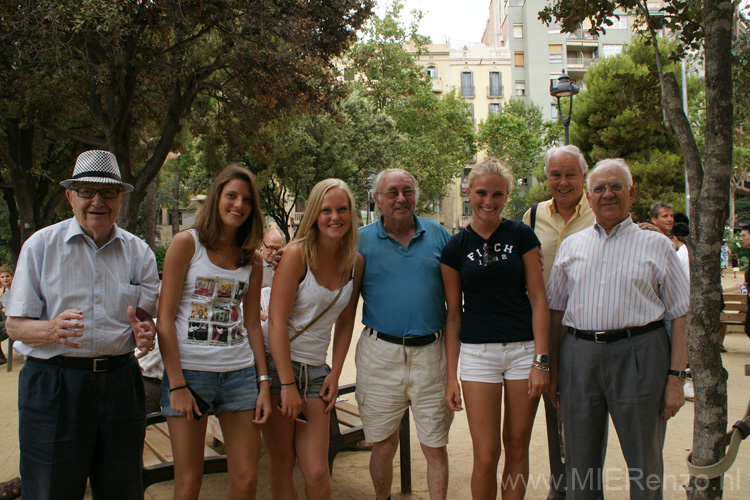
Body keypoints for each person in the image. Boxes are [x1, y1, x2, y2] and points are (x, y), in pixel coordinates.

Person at [5, 150, 160, 499]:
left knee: (122, 489)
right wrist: (49, 330)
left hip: (121, 383)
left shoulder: (140, 253)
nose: (97, 201)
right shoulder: (40, 248)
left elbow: (147, 320)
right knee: (50, 490)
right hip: (54, 384)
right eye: (87, 191)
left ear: (121, 197)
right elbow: (14, 326)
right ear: (70, 196)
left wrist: (147, 332)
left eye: (107, 192)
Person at [547, 158, 689, 500]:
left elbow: (681, 314)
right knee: (580, 464)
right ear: (589, 196)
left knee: (644, 461)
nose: (607, 194)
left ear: (632, 193)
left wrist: (676, 378)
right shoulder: (572, 247)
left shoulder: (657, 245)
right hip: (578, 358)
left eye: (616, 187)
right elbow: (555, 313)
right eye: (599, 188)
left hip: (641, 355)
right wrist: (553, 373)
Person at [157, 164, 271, 499]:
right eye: (231, 195)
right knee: (189, 483)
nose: (238, 205)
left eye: (247, 200)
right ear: (217, 196)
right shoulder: (186, 244)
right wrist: (176, 383)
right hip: (190, 377)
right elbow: (164, 320)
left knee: (247, 479)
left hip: (239, 375)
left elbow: (251, 324)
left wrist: (262, 384)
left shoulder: (253, 259)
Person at [442, 158, 550, 500]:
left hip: (522, 351)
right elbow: (454, 315)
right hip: (478, 355)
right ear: (468, 192)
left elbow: (538, 299)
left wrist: (540, 361)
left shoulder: (521, 235)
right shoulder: (455, 247)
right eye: (482, 193)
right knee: (486, 455)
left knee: (517, 445)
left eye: (498, 194)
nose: (489, 201)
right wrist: (451, 377)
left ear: (507, 196)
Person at [356, 168, 453, 500]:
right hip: (380, 354)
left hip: (432, 355)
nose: (400, 198)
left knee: (435, 445)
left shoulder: (439, 234)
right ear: (377, 199)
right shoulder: (360, 240)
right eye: (392, 192)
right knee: (382, 444)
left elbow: (460, 299)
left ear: (417, 194)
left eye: (407, 190)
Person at [264, 178, 363, 500]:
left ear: (351, 214)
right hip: (280, 368)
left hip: (316, 372)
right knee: (282, 462)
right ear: (314, 216)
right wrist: (287, 383)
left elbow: (347, 320)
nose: (335, 217)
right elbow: (277, 322)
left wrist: (336, 372)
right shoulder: (297, 254)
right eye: (326, 210)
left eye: (342, 210)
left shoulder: (354, 261)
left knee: (317, 471)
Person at [522, 145, 595, 500]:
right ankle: (559, 486)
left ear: (584, 176)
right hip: (539, 326)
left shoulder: (600, 211)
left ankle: (580, 489)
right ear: (547, 177)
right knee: (550, 405)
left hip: (584, 327)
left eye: (570, 174)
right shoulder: (532, 216)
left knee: (580, 414)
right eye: (555, 175)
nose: (563, 182)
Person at [0, 265, 11, 365]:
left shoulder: (16, 290)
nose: (5, 279)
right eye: (2, 277)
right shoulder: (3, 292)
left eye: (7, 276)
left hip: (14, 320)